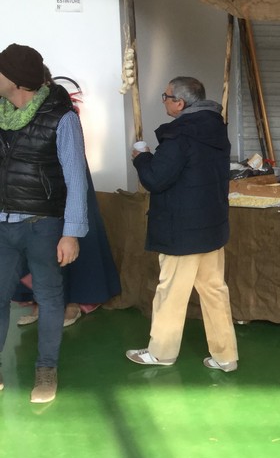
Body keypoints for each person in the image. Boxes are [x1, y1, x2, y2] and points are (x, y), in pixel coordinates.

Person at [126, 77, 239, 372]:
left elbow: (155, 179)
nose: (163, 101)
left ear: (180, 103)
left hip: (182, 230)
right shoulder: (216, 129)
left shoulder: (180, 135)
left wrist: (142, 158)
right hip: (211, 227)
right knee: (214, 291)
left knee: (171, 292)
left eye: (166, 96)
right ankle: (226, 356)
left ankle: (161, 352)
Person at [0, 43, 88, 403]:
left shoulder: (61, 118)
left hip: (43, 223)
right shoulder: (1, 114)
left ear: (16, 80)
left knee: (49, 298)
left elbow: (76, 178)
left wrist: (72, 233)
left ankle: (46, 370)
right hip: (3, 223)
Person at [16, 75, 120, 328]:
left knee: (72, 242)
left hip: (66, 181)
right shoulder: (16, 111)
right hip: (36, 189)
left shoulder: (62, 111)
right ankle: (39, 300)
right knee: (37, 247)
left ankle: (74, 300)